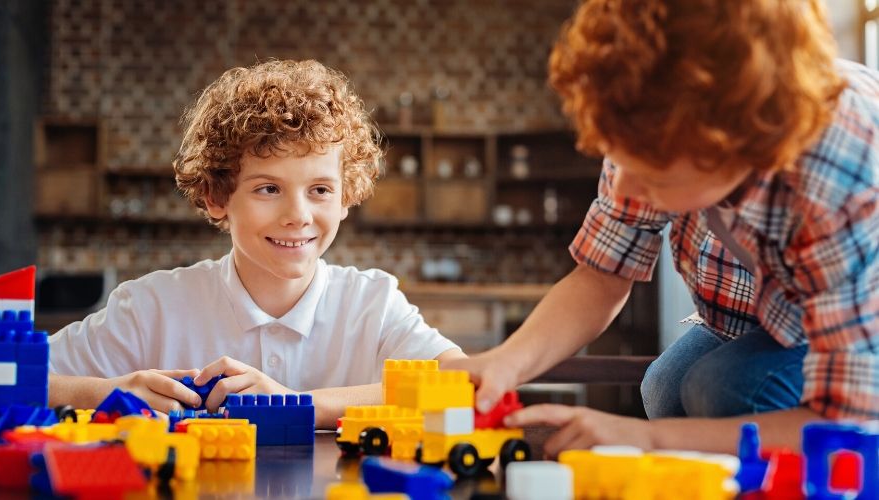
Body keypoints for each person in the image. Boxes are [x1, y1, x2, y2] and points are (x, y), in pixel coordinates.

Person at [444, 0, 878, 455]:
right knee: (666, 387)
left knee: (726, 389)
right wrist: (504, 364)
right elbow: (601, 275)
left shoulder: (844, 167)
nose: (628, 185)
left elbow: (844, 419)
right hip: (763, 316)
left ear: (731, 142)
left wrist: (647, 439)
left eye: (655, 173)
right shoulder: (645, 113)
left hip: (859, 329)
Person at [48, 59, 465, 428]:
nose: (298, 215)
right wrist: (108, 393)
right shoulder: (151, 307)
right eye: (268, 189)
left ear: (345, 198)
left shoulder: (373, 304)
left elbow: (461, 384)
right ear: (217, 198)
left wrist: (295, 405)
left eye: (320, 189)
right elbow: (4, 379)